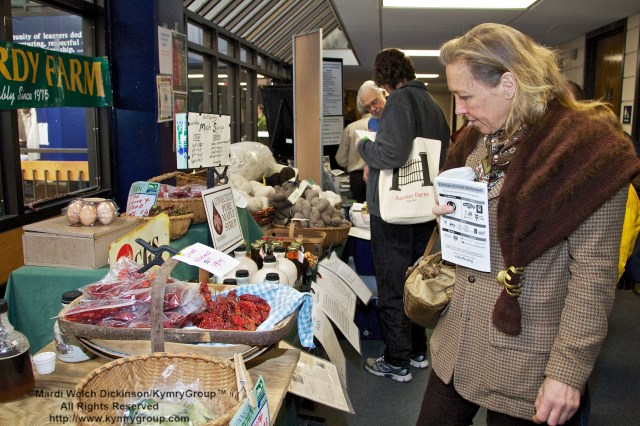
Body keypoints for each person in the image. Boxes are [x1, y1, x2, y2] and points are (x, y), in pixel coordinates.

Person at [418, 23, 640, 425]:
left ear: (508, 83)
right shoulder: (476, 141)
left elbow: (594, 277)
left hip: (527, 354)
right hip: (459, 339)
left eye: (465, 96)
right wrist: (449, 216)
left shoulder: (590, 156)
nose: (460, 109)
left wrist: (568, 373)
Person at [356, 48, 450, 382]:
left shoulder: (397, 102)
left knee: (393, 285)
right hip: (424, 210)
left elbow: (392, 152)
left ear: (383, 80)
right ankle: (418, 350)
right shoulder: (434, 107)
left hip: (395, 214)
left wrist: (364, 148)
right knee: (417, 280)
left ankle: (397, 361)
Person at [336, 81, 387, 203]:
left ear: (384, 94)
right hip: (373, 173)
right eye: (368, 107)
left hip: (360, 177)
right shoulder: (373, 123)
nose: (373, 109)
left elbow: (341, 160)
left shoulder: (351, 128)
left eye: (375, 102)